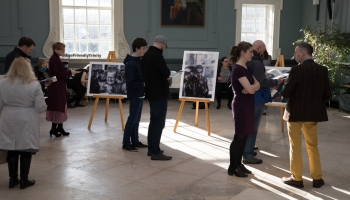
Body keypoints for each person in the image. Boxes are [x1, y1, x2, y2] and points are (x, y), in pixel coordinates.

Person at [281, 43, 332, 188]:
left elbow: (287, 93)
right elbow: (327, 94)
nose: (295, 55)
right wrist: (315, 105)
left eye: (296, 52)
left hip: (295, 114)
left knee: (295, 146)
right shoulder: (322, 70)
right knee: (312, 146)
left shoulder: (297, 70)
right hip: (312, 115)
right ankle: (317, 178)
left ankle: (296, 178)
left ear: (303, 53)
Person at [0, 57, 47, 189]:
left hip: (8, 116)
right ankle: (24, 180)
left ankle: (12, 179)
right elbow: (40, 107)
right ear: (28, 68)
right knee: (26, 148)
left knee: (11, 147)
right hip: (27, 116)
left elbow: (0, 103)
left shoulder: (3, 83)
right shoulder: (34, 84)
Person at [242, 40, 283, 164]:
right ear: (259, 48)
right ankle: (248, 154)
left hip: (247, 98)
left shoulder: (245, 62)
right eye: (264, 50)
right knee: (252, 127)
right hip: (256, 98)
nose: (264, 53)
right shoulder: (256, 62)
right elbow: (262, 82)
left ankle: (247, 149)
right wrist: (276, 82)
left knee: (248, 126)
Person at [228, 42, 260, 177]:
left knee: (245, 135)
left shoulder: (246, 68)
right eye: (250, 52)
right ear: (243, 52)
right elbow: (252, 89)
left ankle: (239, 164)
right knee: (239, 136)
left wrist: (252, 88)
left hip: (248, 104)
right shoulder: (238, 69)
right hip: (241, 104)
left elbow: (257, 84)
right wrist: (251, 88)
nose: (252, 54)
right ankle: (232, 167)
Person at [142, 35, 172, 160]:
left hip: (151, 92)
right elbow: (166, 71)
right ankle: (155, 152)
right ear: (162, 44)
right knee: (159, 123)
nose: (164, 48)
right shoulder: (157, 55)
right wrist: (167, 76)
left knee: (153, 122)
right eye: (165, 46)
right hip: (159, 93)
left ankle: (152, 149)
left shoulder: (147, 54)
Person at [45, 42, 77, 138]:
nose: (64, 51)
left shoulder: (55, 58)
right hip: (56, 87)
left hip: (58, 85)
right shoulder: (54, 59)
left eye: (64, 49)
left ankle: (58, 127)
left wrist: (68, 72)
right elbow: (57, 74)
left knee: (60, 107)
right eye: (62, 49)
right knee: (58, 107)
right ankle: (55, 128)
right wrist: (70, 72)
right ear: (56, 50)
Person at [122, 38, 148, 152]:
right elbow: (131, 82)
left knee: (137, 119)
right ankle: (126, 142)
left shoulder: (139, 60)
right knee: (132, 119)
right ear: (136, 48)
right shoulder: (131, 63)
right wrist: (143, 83)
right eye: (143, 48)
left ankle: (135, 141)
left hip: (140, 93)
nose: (144, 50)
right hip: (135, 94)